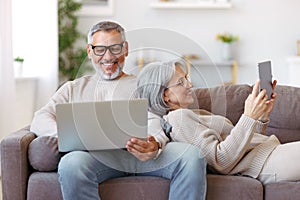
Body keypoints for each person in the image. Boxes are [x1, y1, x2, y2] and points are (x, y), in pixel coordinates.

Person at [30, 21, 207, 200]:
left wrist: (155, 144)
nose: (108, 56)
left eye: (115, 48)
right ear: (89, 51)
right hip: (98, 159)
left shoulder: (143, 84)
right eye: (100, 49)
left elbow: (157, 118)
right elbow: (40, 118)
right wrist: (69, 135)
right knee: (71, 163)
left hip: (145, 157)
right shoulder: (73, 88)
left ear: (126, 49)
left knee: (192, 156)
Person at [136, 59, 300, 185]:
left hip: (267, 154)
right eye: (181, 82)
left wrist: (261, 116)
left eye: (187, 78)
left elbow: (245, 144)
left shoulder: (193, 114)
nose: (190, 85)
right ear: (166, 95)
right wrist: (248, 117)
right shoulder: (177, 119)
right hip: (264, 164)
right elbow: (221, 161)